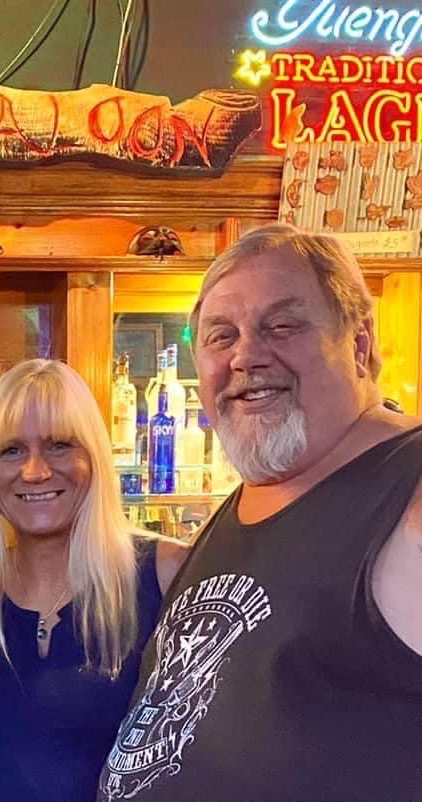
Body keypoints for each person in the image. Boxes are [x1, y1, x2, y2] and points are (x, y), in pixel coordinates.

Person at [100, 223, 422, 802]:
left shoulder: (408, 484)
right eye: (221, 336)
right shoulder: (246, 502)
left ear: (359, 344)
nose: (246, 356)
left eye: (283, 326)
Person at [0, 358, 187, 802]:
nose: (35, 471)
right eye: (11, 450)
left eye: (60, 445)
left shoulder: (164, 574)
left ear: (94, 457)